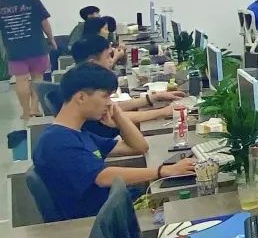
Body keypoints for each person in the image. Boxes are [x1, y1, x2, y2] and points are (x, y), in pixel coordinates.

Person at [32, 64, 196, 221]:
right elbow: (103, 177)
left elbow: (139, 147)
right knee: (189, 205)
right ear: (81, 97)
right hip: (107, 219)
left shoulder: (78, 132)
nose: (110, 103)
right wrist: (164, 171)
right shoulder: (57, 142)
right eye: (105, 96)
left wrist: (117, 115)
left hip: (117, 205)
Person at [71, 35, 187, 124]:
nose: (111, 60)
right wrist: (163, 112)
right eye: (108, 57)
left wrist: (154, 97)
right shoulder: (85, 90)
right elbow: (117, 115)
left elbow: (115, 107)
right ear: (92, 63)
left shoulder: (80, 80)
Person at [0, 0, 55, 120]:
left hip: (14, 50)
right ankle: (34, 108)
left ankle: (25, 112)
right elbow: (44, 23)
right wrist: (51, 38)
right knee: (37, 78)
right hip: (37, 47)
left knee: (21, 80)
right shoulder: (32, 1)